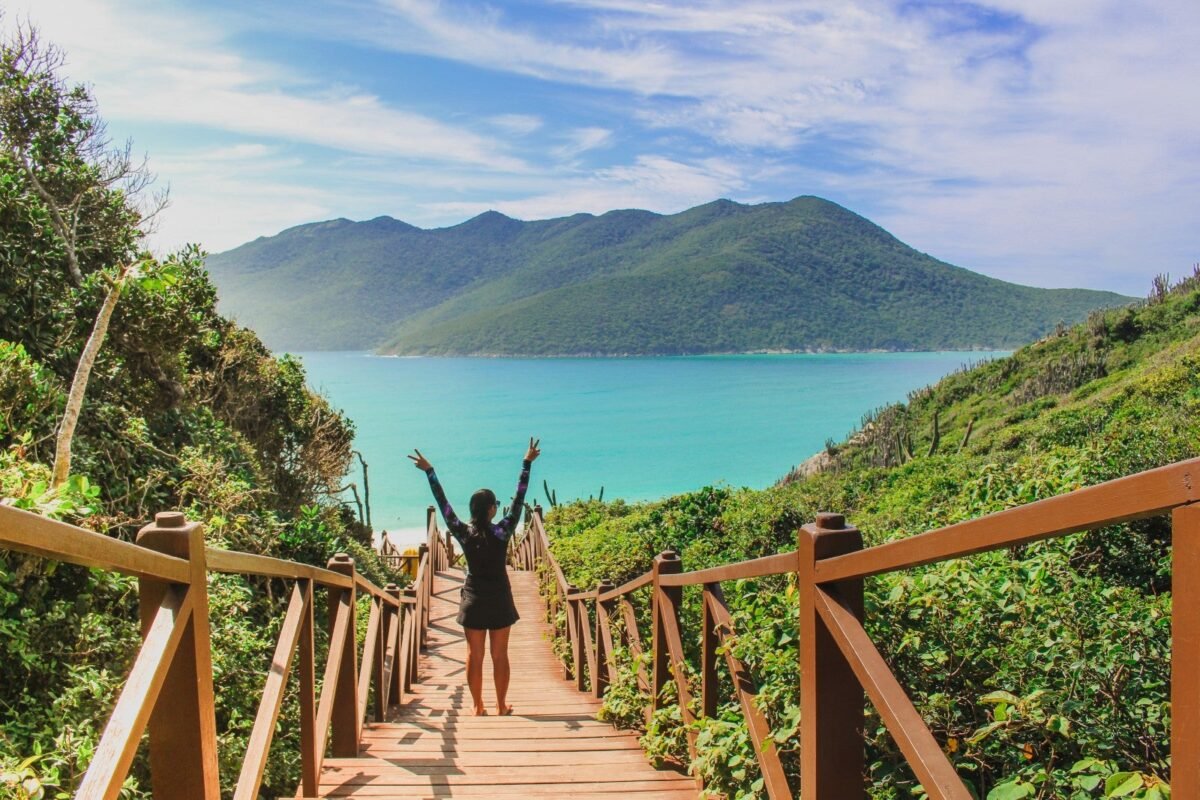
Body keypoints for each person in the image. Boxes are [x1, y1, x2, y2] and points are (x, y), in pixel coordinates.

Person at [408, 438, 540, 716]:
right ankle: (501, 705)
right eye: (496, 505)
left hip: (473, 598)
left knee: (474, 655)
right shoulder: (503, 531)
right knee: (500, 655)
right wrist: (526, 463)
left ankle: (478, 706)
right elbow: (519, 499)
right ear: (492, 509)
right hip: (500, 597)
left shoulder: (463, 532)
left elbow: (442, 504)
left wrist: (430, 472)